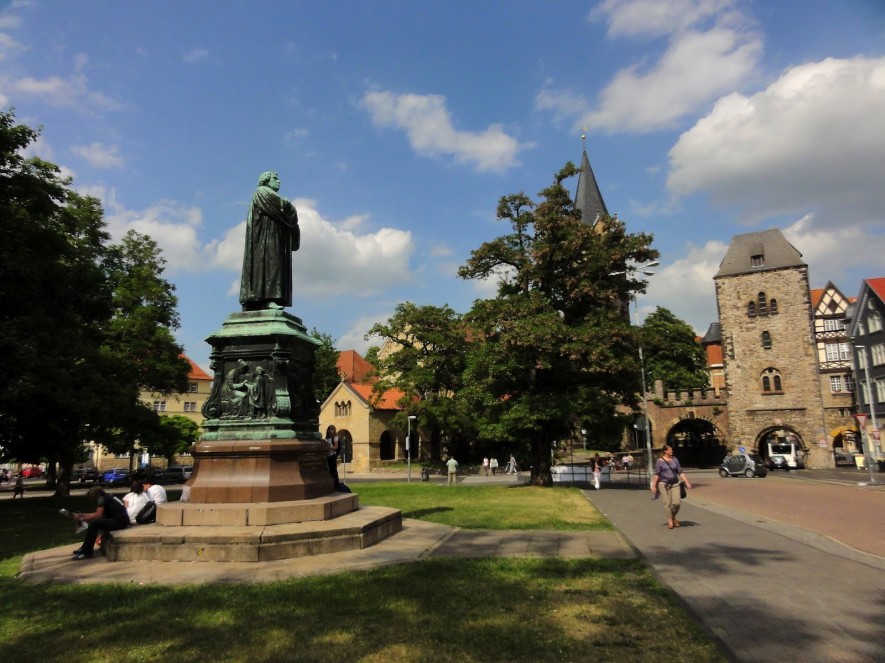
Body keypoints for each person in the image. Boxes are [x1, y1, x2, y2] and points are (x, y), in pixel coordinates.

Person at [239, 171, 300, 311]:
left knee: (273, 265)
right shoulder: (261, 192)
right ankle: (267, 299)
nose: (278, 182)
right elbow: (282, 208)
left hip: (274, 236)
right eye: (275, 179)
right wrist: (290, 207)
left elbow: (287, 212)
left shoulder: (268, 194)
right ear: (266, 180)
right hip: (265, 240)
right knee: (270, 265)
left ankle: (262, 300)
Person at [72, 486, 130, 559]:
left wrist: (82, 518)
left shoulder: (101, 499)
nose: (91, 499)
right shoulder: (108, 496)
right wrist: (84, 515)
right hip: (123, 520)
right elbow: (98, 513)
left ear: (95, 495)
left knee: (94, 524)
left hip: (119, 522)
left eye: (91, 497)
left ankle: (87, 552)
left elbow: (98, 515)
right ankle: (84, 548)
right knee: (95, 522)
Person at [650, 444, 692, 529]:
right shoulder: (660, 461)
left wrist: (687, 482)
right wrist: (653, 485)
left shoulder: (675, 460)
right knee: (667, 503)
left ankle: (672, 517)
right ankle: (670, 520)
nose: (672, 451)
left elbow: (680, 472)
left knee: (677, 503)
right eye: (670, 450)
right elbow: (657, 474)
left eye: (672, 450)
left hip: (675, 483)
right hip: (663, 484)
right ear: (665, 451)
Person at [325, 425, 341, 489]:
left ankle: (336, 484)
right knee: (330, 470)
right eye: (329, 429)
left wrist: (329, 447)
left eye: (332, 429)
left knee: (333, 470)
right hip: (328, 456)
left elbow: (336, 447)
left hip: (332, 455)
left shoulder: (335, 437)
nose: (331, 431)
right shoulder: (327, 438)